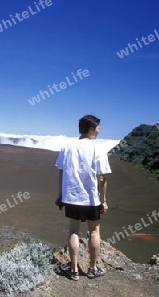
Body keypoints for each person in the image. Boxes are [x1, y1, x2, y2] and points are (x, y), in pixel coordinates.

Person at [55, 115, 111, 281]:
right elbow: (101, 178)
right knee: (94, 231)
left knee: (73, 231)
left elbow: (62, 172)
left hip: (71, 197)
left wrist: (60, 195)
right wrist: (104, 200)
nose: (99, 130)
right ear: (92, 129)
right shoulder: (98, 148)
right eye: (98, 128)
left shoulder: (67, 147)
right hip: (91, 199)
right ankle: (92, 269)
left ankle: (74, 270)